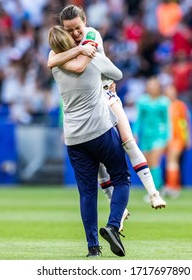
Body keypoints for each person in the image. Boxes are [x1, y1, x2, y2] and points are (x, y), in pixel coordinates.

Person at [47, 5, 166, 213]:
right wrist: (74, 51)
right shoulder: (71, 47)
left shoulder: (92, 35)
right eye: (69, 30)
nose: (75, 34)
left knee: (128, 140)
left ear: (85, 21)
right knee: (98, 162)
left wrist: (69, 54)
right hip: (89, 102)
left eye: (77, 28)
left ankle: (153, 193)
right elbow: (51, 59)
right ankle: (117, 208)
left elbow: (78, 66)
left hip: (105, 94)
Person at [48, 25, 129, 258]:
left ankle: (93, 247)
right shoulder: (93, 57)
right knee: (121, 178)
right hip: (101, 130)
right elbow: (118, 75)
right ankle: (113, 226)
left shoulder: (56, 64)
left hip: (74, 138)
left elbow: (61, 59)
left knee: (87, 193)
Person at [133, 77, 171, 196]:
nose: (151, 88)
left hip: (159, 135)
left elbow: (167, 120)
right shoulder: (142, 101)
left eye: (154, 85)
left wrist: (169, 136)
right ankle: (159, 187)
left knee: (155, 162)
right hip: (146, 136)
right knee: (147, 164)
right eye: (149, 85)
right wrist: (134, 133)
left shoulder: (164, 102)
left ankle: (155, 191)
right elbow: (138, 119)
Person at [164, 84, 192, 198]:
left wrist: (188, 137)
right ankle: (172, 186)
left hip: (177, 138)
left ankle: (172, 187)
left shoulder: (180, 106)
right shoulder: (162, 105)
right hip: (165, 139)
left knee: (173, 160)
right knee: (169, 162)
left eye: (172, 91)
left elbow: (185, 122)